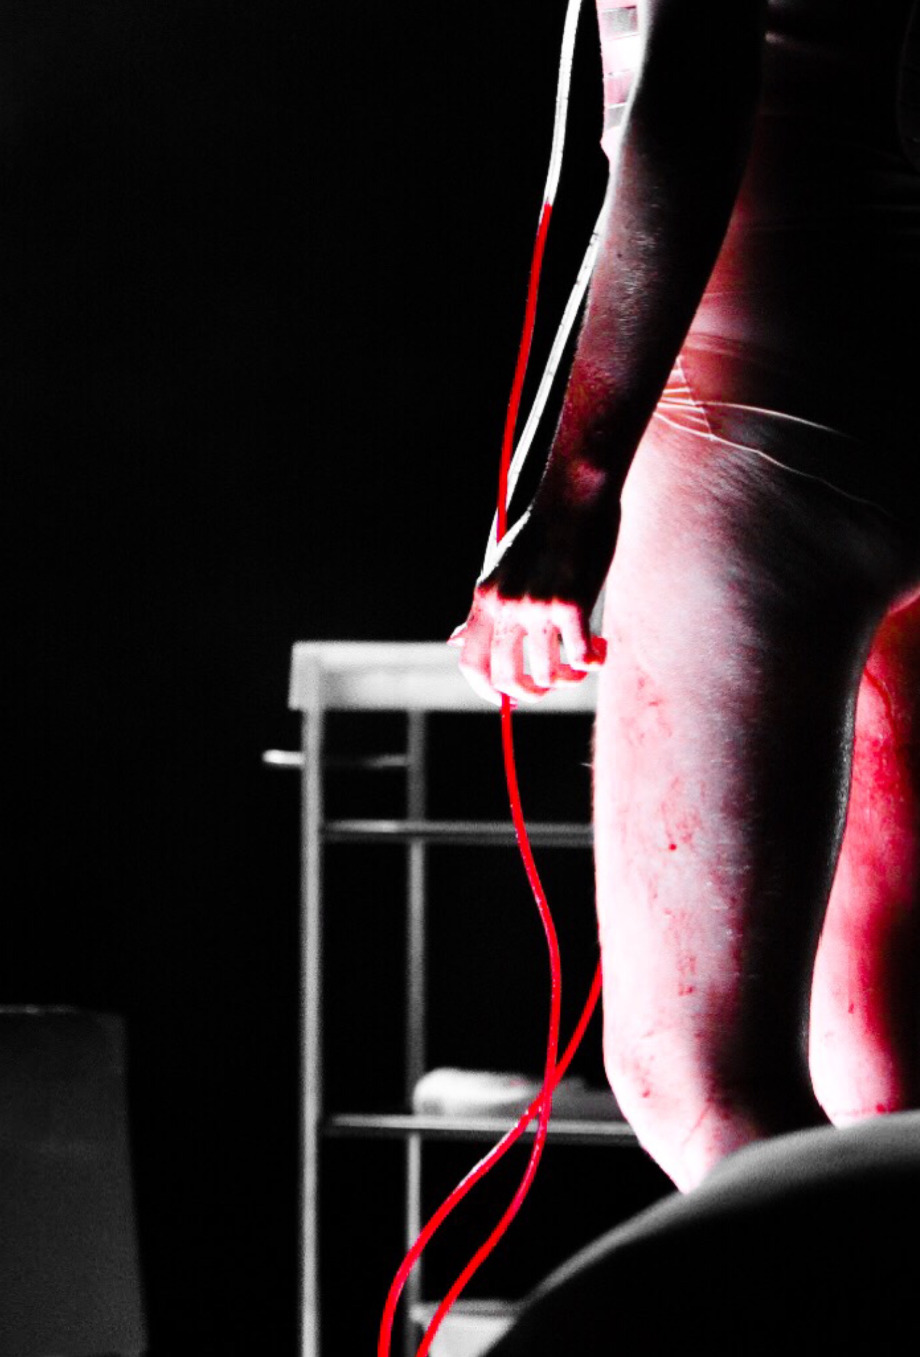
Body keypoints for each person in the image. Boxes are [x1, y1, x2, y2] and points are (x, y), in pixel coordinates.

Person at [451, 0, 920, 1191]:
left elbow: (692, 98)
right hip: (890, 354)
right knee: (885, 1085)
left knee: (699, 1082)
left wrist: (573, 494)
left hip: (753, 400)